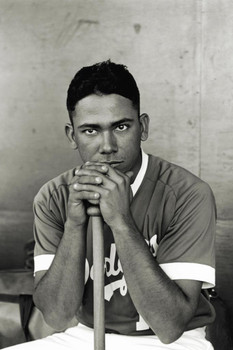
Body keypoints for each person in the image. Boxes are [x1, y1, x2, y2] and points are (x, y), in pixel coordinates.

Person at [6, 60, 216, 349]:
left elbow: (170, 326)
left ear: (142, 127)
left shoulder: (187, 193)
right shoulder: (53, 196)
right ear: (72, 135)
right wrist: (74, 225)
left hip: (172, 343)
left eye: (120, 126)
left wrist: (120, 220)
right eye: (90, 131)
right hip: (85, 335)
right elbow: (56, 315)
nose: (107, 146)